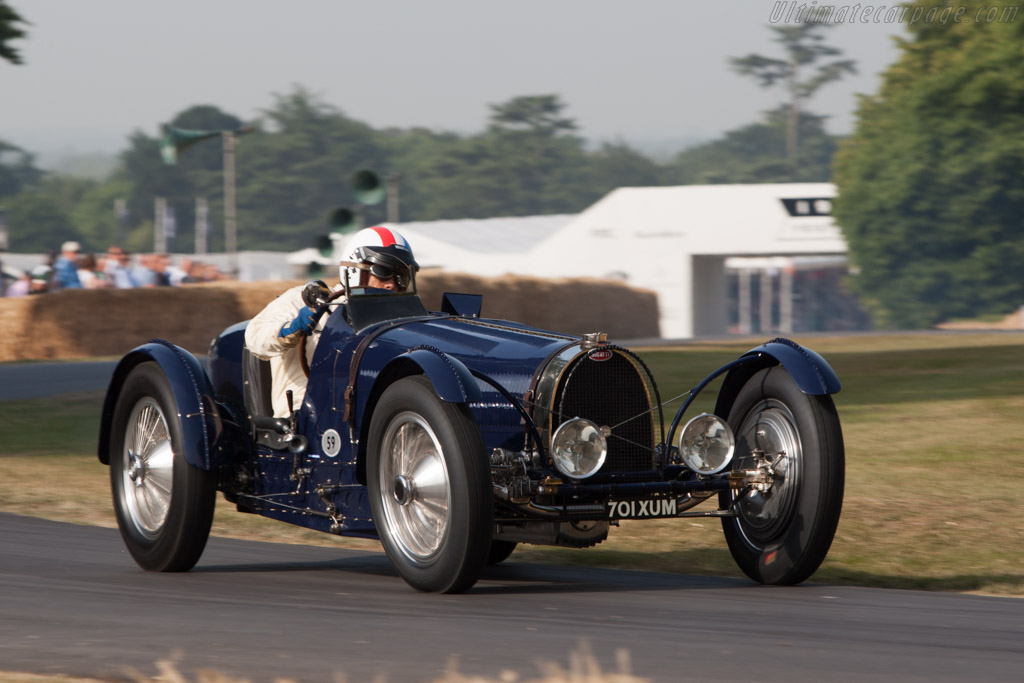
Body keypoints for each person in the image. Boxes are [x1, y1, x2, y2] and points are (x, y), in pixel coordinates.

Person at [244, 226, 419, 418]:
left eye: (400, 276)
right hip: (304, 417)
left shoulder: (402, 320)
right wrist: (292, 329)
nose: (392, 284)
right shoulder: (302, 300)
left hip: (372, 416)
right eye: (383, 271)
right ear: (354, 269)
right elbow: (255, 338)